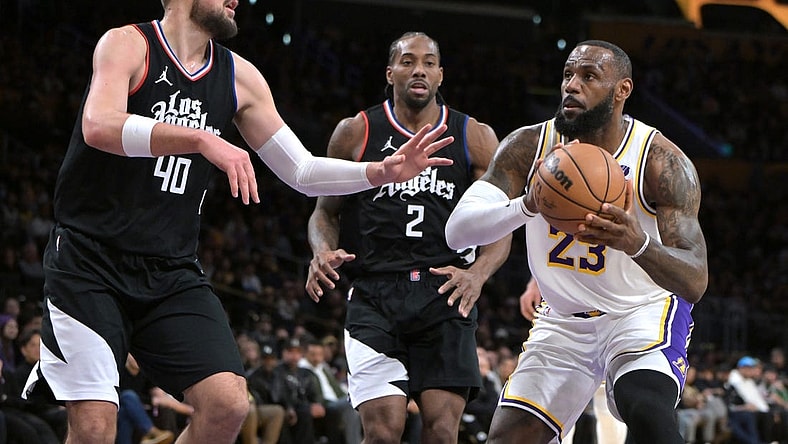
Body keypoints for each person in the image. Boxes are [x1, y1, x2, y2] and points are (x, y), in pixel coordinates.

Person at [19, 1, 455, 443]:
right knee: (93, 428)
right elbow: (98, 124)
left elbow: (301, 171)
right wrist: (202, 138)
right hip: (89, 262)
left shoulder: (239, 76)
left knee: (227, 406)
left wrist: (379, 172)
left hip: (169, 269)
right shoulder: (128, 44)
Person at [445, 40, 708, 443]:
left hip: (638, 313)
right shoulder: (528, 147)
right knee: (507, 438)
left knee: (647, 410)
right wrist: (527, 206)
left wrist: (636, 242)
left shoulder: (660, 161)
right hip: (563, 321)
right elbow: (458, 231)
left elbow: (694, 280)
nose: (572, 85)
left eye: (588, 76)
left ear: (622, 90)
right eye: (568, 74)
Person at [306, 31, 511, 444]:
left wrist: (479, 275)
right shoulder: (355, 132)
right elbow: (325, 211)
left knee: (440, 431)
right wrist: (321, 251)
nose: (419, 69)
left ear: (440, 75)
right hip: (375, 294)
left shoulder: (475, 136)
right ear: (390, 72)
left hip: (445, 295)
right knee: (382, 432)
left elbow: (501, 222)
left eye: (429, 62)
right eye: (407, 61)